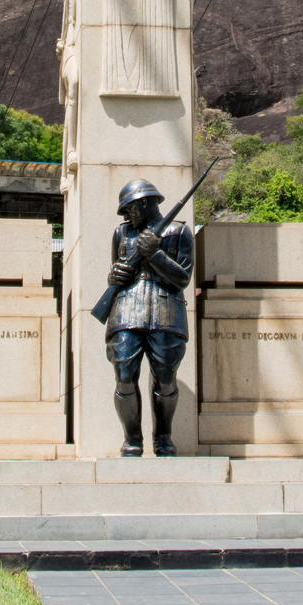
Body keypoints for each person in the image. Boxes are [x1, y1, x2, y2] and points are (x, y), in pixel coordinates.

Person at [105, 178, 193, 455]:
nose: (128, 216)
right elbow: (115, 273)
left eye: (130, 209)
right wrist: (114, 274)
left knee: (166, 378)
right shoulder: (121, 234)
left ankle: (163, 438)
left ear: (144, 203)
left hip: (166, 310)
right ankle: (132, 439)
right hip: (126, 310)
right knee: (124, 376)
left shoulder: (180, 232)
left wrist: (154, 254)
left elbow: (182, 278)